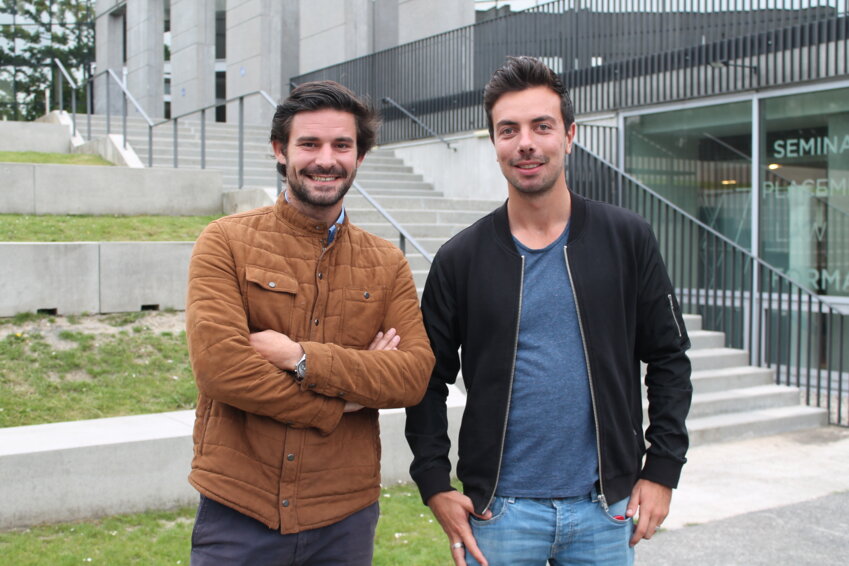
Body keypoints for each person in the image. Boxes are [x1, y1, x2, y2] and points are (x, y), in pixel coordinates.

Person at [405, 56, 692, 566]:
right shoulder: (460, 259)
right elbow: (425, 379)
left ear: (569, 135)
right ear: (494, 142)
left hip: (606, 511)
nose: (526, 143)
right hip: (499, 513)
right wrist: (434, 483)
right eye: (508, 130)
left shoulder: (627, 238)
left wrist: (662, 470)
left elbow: (669, 358)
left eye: (542, 126)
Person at [185, 80, 435, 565]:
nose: (326, 159)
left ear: (360, 155)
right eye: (309, 144)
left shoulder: (387, 263)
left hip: (344, 520)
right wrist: (344, 402)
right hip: (239, 510)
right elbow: (222, 369)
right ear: (280, 151)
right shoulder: (225, 242)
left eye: (342, 145)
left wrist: (298, 358)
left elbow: (412, 375)